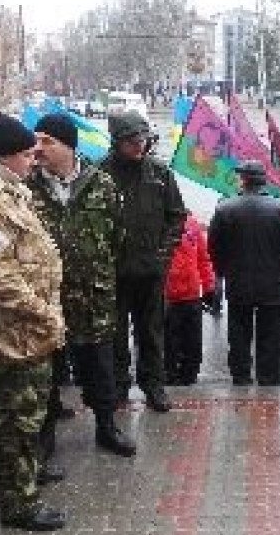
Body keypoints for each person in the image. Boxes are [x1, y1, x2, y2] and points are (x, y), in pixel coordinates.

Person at [0, 113, 67, 531]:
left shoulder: (8, 188)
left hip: (29, 329)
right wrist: (44, 312)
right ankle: (20, 505)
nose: (34, 162)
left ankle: (28, 479)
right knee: (16, 420)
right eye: (27, 155)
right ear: (6, 158)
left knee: (30, 414)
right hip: (14, 330)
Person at [27, 113, 136, 458]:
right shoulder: (26, 188)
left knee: (100, 369)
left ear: (69, 146)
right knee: (45, 372)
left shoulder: (101, 185)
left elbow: (118, 237)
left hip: (93, 297)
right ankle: (44, 440)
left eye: (48, 141)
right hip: (46, 299)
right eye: (36, 140)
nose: (38, 148)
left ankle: (106, 427)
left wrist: (97, 271)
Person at [103, 112, 187, 412]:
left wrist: (163, 256)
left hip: (151, 272)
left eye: (143, 140)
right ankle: (119, 386)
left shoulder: (160, 173)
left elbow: (176, 217)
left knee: (150, 332)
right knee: (114, 334)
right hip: (113, 272)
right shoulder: (101, 175)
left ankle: (153, 386)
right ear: (117, 142)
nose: (139, 146)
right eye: (132, 142)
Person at [208, 161, 280, 386]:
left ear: (244, 180)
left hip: (237, 282)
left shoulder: (225, 209)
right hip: (272, 284)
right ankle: (268, 377)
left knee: (239, 333)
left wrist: (224, 271)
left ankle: (241, 377)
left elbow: (214, 247)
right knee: (270, 335)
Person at [164, 212, 215, 386]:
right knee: (169, 342)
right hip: (167, 296)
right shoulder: (157, 222)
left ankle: (189, 375)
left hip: (191, 295)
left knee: (193, 342)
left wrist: (209, 287)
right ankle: (169, 375)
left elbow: (203, 258)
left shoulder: (192, 224)